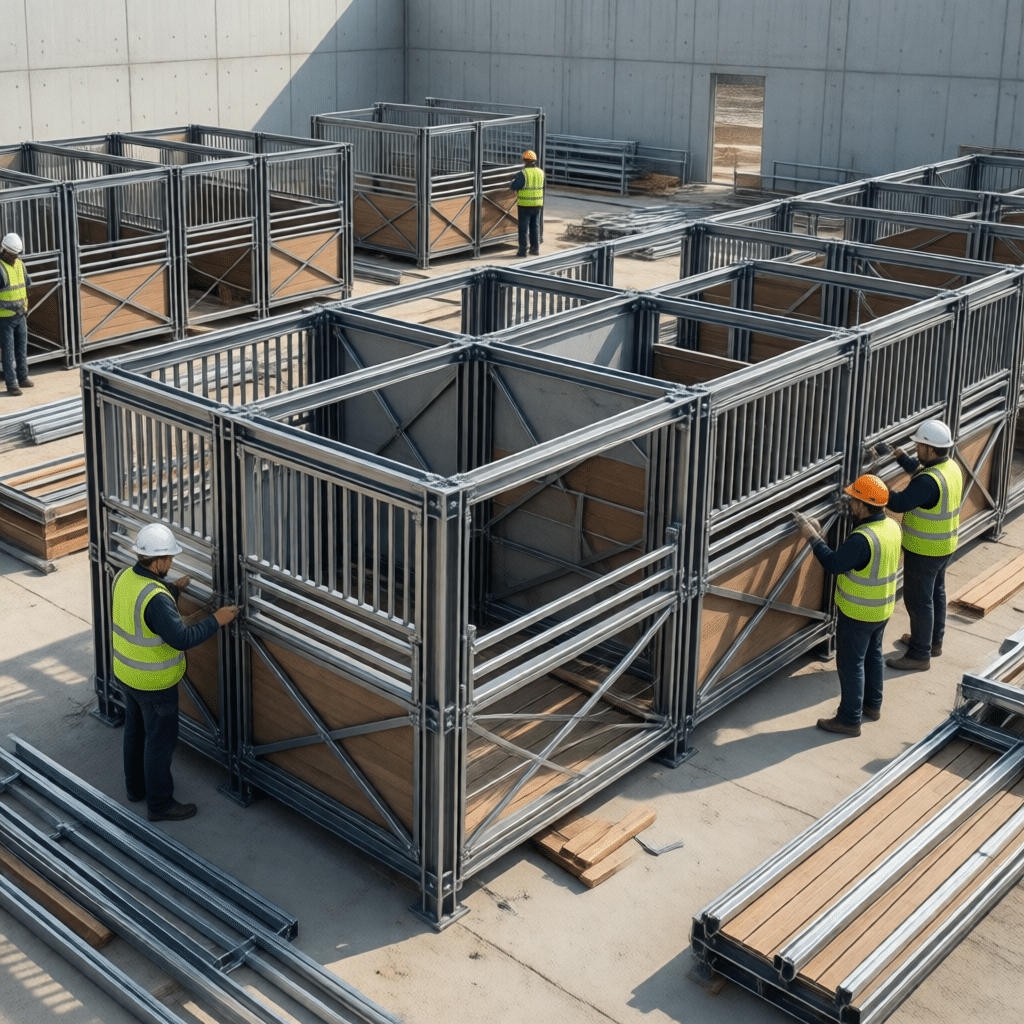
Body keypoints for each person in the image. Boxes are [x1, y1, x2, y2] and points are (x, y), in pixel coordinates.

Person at [112, 523, 238, 822]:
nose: (170, 563)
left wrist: (172, 590)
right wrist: (218, 620)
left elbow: (139, 615)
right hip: (154, 683)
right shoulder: (155, 598)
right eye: (168, 558)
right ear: (157, 561)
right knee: (159, 744)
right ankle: (160, 805)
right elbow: (181, 638)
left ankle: (135, 789)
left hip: (126, 674)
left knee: (135, 731)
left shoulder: (124, 577)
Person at [794, 474, 901, 736]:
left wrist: (812, 537)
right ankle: (872, 705)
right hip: (882, 608)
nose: (851, 504)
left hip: (858, 613)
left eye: (854, 500)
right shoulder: (891, 527)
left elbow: (834, 563)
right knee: (873, 655)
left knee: (851, 664)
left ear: (864, 506)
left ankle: (849, 719)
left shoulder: (863, 538)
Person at [881, 419, 962, 672]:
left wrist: (874, 485)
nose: (916, 450)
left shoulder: (928, 481)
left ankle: (919, 654)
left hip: (924, 550)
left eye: (918, 446)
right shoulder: (949, 467)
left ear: (929, 449)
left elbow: (899, 502)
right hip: (944, 545)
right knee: (936, 593)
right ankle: (933, 642)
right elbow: (920, 472)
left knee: (918, 601)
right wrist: (899, 456)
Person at [0, 232, 32, 396]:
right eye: (12, 255)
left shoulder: (20, 264)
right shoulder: (0, 269)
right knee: (8, 352)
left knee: (21, 349)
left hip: (20, 315)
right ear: (4, 251)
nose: (14, 257)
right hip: (4, 318)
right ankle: (12, 385)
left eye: (16, 254)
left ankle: (23, 377)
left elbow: (26, 284)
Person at [509, 149, 544, 257]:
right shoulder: (540, 172)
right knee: (535, 227)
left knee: (523, 229)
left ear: (524, 160)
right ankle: (535, 249)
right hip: (537, 204)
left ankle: (522, 251)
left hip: (525, 205)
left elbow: (514, 186)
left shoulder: (523, 173)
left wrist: (511, 182)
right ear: (534, 160)